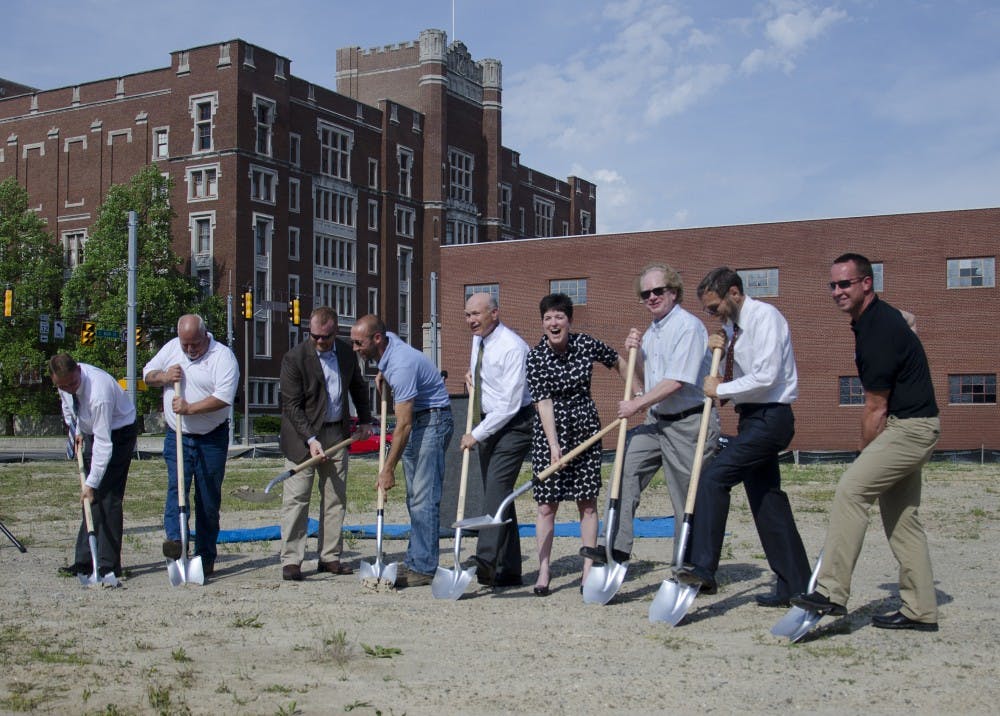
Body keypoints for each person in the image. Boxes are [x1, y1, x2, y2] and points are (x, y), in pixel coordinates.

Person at [792, 253, 941, 631]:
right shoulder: (875, 321)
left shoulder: (876, 331)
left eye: (846, 284)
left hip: (907, 429)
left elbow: (875, 407)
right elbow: (904, 326)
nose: (838, 291)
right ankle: (920, 609)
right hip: (913, 426)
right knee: (903, 520)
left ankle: (831, 592)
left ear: (866, 284)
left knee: (851, 491)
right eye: (833, 285)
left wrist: (863, 457)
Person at [673, 267, 810, 607]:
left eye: (714, 307)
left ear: (734, 293)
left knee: (714, 479)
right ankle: (795, 585)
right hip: (751, 419)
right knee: (767, 502)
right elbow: (722, 378)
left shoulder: (766, 318)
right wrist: (715, 350)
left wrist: (723, 387)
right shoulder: (734, 329)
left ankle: (703, 567)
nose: (711, 314)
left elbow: (766, 375)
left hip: (772, 418)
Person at [586, 264, 720, 570]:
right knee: (624, 472)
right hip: (656, 422)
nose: (652, 297)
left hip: (689, 423)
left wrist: (637, 404)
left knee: (687, 499)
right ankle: (616, 548)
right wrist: (633, 354)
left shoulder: (687, 327)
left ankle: (690, 565)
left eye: (658, 291)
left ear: (673, 292)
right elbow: (649, 381)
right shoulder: (651, 332)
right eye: (645, 293)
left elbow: (677, 381)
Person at [526, 293, 627, 596]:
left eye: (559, 316)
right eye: (548, 318)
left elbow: (617, 361)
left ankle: (587, 570)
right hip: (550, 432)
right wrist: (554, 445)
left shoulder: (585, 344)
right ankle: (544, 569)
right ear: (542, 323)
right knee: (546, 505)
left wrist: (638, 394)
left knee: (587, 502)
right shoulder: (535, 357)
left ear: (569, 320)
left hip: (586, 430)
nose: (553, 323)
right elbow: (542, 403)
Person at [350, 314, 453, 588]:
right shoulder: (390, 350)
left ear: (377, 339)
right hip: (420, 419)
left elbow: (403, 425)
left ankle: (423, 567)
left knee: (423, 497)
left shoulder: (401, 365)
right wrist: (383, 371)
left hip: (432, 420)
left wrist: (387, 469)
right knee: (414, 497)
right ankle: (418, 558)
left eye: (359, 343)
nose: (355, 349)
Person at [277, 307, 372, 582]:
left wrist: (365, 419)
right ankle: (292, 559)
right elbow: (292, 406)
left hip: (337, 434)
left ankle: (330, 556)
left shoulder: (345, 353)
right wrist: (311, 439)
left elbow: (358, 387)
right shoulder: (294, 358)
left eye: (325, 337)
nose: (320, 342)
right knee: (297, 498)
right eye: (315, 336)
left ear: (335, 332)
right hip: (301, 437)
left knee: (334, 497)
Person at [143, 314, 238, 579]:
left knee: (207, 498)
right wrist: (163, 376)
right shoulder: (172, 347)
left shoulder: (223, 357)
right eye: (185, 345)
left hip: (211, 437)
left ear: (205, 336)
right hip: (177, 436)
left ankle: (205, 556)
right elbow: (147, 375)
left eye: (194, 344)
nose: (189, 350)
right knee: (177, 490)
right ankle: (176, 544)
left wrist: (189, 408)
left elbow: (223, 398)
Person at [460, 292, 533, 588]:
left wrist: (475, 435)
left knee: (497, 488)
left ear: (495, 313)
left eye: (476, 314)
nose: (471, 321)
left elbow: (509, 405)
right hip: (488, 420)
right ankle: (509, 569)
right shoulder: (478, 339)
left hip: (515, 424)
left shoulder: (513, 347)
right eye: (467, 315)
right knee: (501, 497)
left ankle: (486, 560)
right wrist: (473, 378)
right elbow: (485, 376)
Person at [51, 353, 136, 579]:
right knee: (91, 498)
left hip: (118, 434)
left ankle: (108, 566)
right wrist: (76, 430)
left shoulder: (99, 392)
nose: (69, 388)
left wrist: (91, 482)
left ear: (78, 370)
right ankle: (85, 562)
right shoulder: (63, 384)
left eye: (73, 383)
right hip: (89, 431)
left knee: (107, 496)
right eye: (63, 385)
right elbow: (69, 407)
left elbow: (104, 445)